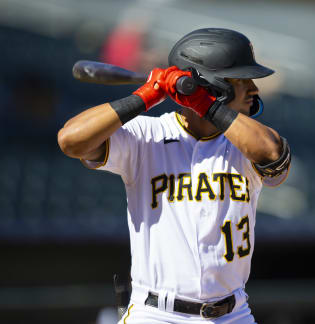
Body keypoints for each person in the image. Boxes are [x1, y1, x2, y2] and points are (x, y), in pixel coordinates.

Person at [57, 28, 291, 324]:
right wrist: (145, 96)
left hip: (233, 313)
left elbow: (272, 154)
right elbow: (70, 140)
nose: (254, 88)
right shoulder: (146, 135)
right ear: (216, 86)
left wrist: (205, 103)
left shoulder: (247, 141)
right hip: (156, 313)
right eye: (241, 80)